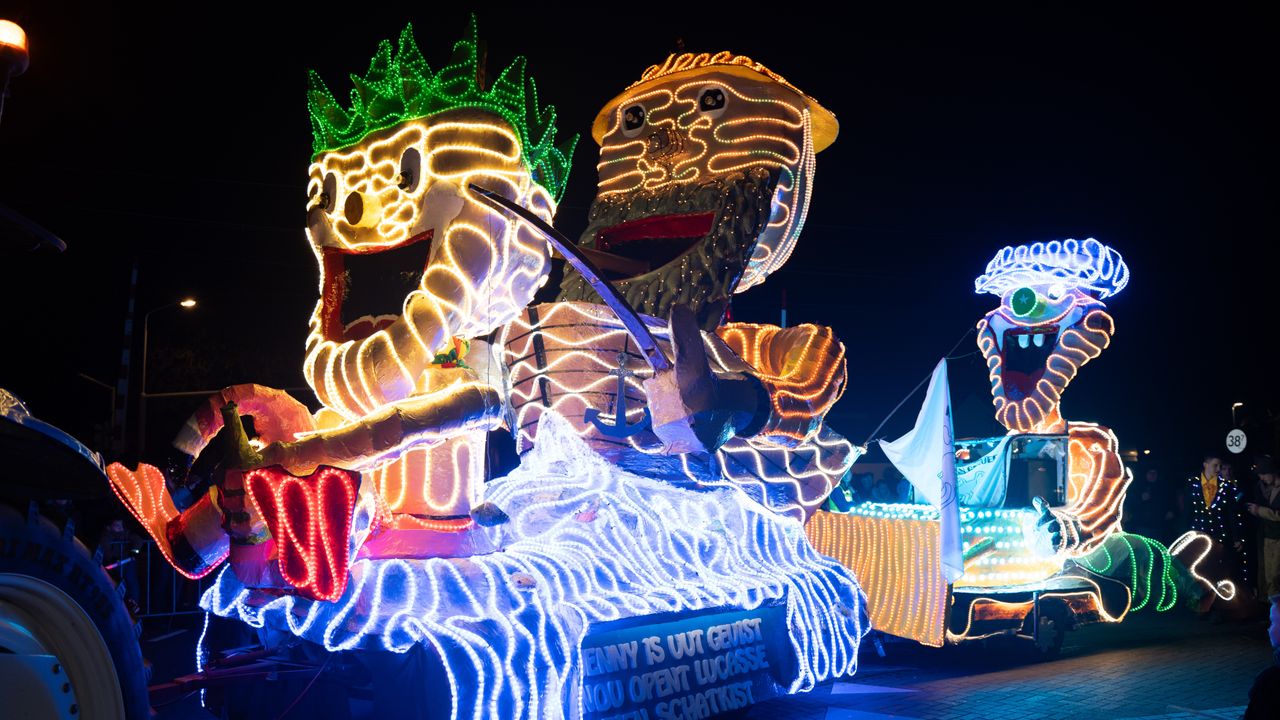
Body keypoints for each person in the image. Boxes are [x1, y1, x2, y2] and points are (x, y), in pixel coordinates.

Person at [1188, 453, 1249, 615]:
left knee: (1219, 571)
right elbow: (1188, 511)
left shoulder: (1226, 487)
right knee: (1200, 571)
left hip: (1221, 536)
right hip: (1199, 536)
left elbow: (1232, 514)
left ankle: (1219, 608)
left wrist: (1237, 537)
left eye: (1219, 466)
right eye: (1215, 465)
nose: (1218, 469)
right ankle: (1201, 607)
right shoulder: (1193, 484)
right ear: (1205, 464)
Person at [1246, 456, 1280, 605]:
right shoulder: (1267, 488)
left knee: (1275, 575)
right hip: (1268, 535)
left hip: (1277, 536)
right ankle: (1272, 611)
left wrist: (1259, 510)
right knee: (1269, 574)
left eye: (1264, 474)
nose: (1262, 478)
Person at [1124, 467, 1175, 542]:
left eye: (1154, 473)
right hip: (1142, 524)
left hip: (1158, 524)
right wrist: (1140, 498)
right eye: (1150, 473)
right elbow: (1130, 503)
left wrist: (1171, 511)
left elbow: (1168, 500)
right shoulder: (1138, 487)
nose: (1152, 475)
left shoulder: (1162, 487)